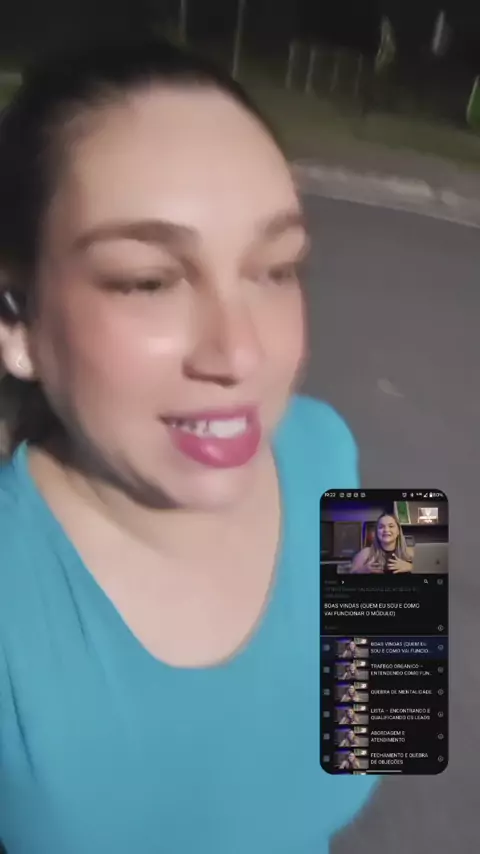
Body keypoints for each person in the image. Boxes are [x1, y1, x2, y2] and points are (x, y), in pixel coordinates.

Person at [0, 35, 379, 854]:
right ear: (16, 319)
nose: (239, 353)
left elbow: (387, 739)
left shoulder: (339, 460)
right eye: (148, 281)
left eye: (277, 268)